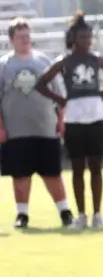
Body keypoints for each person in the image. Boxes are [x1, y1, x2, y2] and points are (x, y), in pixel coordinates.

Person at [35, 11, 103, 229]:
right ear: (73, 39)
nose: (87, 41)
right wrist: (60, 99)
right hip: (74, 118)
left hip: (95, 116)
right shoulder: (65, 61)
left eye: (89, 37)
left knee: (96, 167)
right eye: (83, 37)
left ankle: (97, 215)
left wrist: (102, 92)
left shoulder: (96, 59)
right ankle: (81, 215)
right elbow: (41, 83)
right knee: (77, 168)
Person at [0, 17, 74, 229]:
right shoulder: (4, 66)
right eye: (20, 37)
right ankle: (22, 214)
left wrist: (61, 119)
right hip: (16, 130)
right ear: (12, 40)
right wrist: (1, 127)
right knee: (20, 174)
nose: (25, 40)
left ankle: (65, 211)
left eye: (27, 36)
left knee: (52, 172)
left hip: (45, 127)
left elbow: (59, 94)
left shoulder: (43, 61)